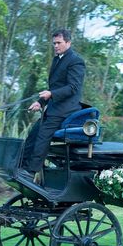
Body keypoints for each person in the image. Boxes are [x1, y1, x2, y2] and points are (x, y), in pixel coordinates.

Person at [19, 29, 86, 181]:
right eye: (54, 43)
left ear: (68, 42)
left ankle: (30, 172)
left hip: (67, 109)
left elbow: (73, 87)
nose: (55, 46)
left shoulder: (76, 60)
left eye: (59, 43)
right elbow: (54, 87)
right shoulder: (57, 59)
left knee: (43, 136)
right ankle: (21, 168)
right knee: (33, 135)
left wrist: (51, 95)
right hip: (54, 107)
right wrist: (40, 102)